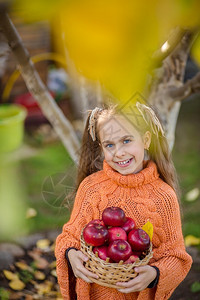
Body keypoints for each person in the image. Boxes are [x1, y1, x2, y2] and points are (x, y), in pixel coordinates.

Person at [55, 101, 192, 300]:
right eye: (110, 145)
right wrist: (70, 254)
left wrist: (155, 275)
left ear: (146, 140)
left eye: (127, 140)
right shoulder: (91, 188)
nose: (119, 152)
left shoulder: (163, 197)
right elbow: (69, 236)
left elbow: (176, 255)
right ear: (101, 148)